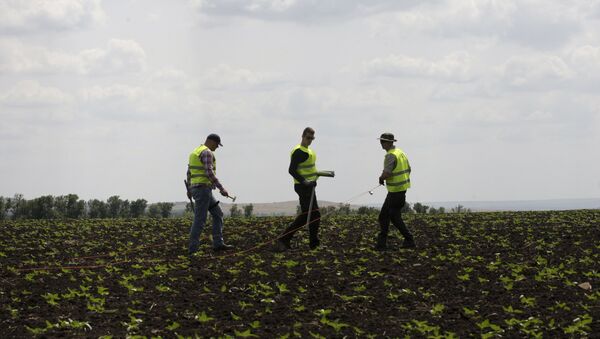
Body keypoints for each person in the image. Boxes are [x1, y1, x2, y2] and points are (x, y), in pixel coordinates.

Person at [187, 133, 234, 254]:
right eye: (217, 145)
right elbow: (209, 172)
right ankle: (193, 250)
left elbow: (189, 172)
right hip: (203, 190)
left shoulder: (195, 152)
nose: (217, 148)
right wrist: (221, 188)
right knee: (200, 220)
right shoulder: (207, 152)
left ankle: (218, 243)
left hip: (200, 189)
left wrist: (189, 189)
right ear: (212, 141)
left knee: (218, 214)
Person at [276, 127, 321, 251]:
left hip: (310, 186)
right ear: (302, 136)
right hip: (302, 187)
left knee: (313, 215)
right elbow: (292, 170)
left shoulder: (309, 151)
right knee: (311, 214)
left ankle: (313, 243)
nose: (310, 140)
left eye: (312, 138)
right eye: (308, 138)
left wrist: (315, 178)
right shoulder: (299, 152)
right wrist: (305, 182)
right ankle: (284, 238)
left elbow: (310, 169)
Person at [375, 132, 415, 250]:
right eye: (380, 141)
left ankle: (409, 239)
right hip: (399, 190)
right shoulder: (400, 152)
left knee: (393, 217)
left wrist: (381, 178)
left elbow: (387, 173)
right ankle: (382, 244)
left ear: (388, 142)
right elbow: (409, 169)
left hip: (395, 191)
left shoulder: (390, 155)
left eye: (382, 141)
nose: (381, 144)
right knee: (385, 216)